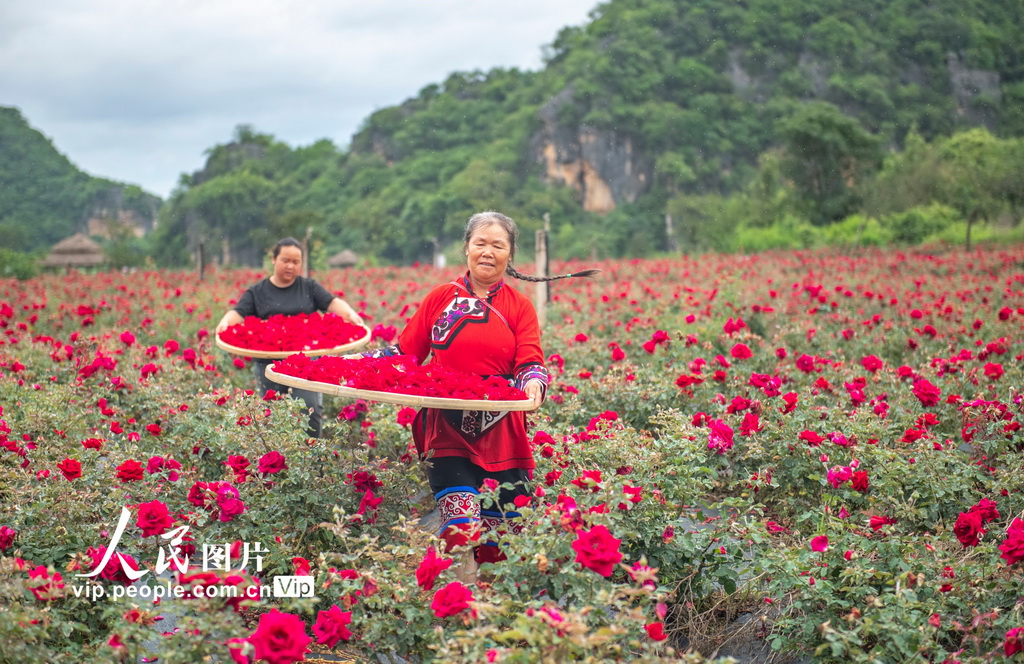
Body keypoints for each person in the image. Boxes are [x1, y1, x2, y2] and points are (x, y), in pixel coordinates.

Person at [359, 211, 597, 582]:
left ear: (510, 254)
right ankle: (460, 609)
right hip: (446, 428)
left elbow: (530, 360)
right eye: (480, 243)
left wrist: (533, 383)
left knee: (503, 539)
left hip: (502, 431)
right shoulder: (441, 297)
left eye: (498, 245)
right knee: (460, 528)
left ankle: (499, 619)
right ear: (466, 249)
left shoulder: (520, 306)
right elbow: (405, 353)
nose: (488, 252)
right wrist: (358, 363)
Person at [215, 237, 362, 438]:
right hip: (269, 363)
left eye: (296, 262)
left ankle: (311, 458)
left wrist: (350, 314)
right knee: (273, 411)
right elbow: (237, 313)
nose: (291, 266)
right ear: (274, 260)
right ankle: (277, 460)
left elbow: (332, 302)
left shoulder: (308, 287)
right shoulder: (258, 292)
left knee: (310, 409)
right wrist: (225, 323)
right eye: (286, 260)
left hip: (305, 363)